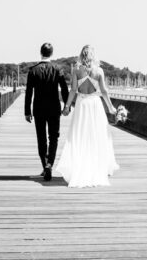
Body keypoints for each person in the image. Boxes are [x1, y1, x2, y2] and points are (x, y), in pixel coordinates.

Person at [55, 45, 119, 187]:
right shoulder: (99, 71)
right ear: (93, 56)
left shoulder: (77, 70)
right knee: (97, 136)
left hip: (82, 105)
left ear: (81, 55)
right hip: (95, 105)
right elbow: (104, 91)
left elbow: (72, 90)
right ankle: (96, 169)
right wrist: (110, 107)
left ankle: (80, 168)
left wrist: (66, 106)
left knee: (80, 136)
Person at [25, 42, 69, 181]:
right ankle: (50, 164)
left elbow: (28, 92)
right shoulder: (58, 69)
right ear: (51, 53)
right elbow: (64, 89)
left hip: (38, 108)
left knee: (41, 138)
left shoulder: (33, 70)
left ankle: (45, 166)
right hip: (54, 108)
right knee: (54, 137)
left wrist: (27, 111)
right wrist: (66, 106)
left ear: (41, 53)